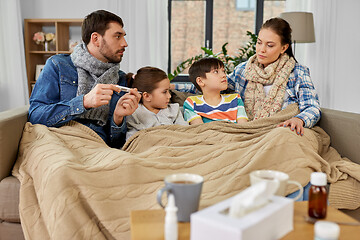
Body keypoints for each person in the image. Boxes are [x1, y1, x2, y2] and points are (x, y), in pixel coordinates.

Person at [173, 17, 321, 136]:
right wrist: (173, 86)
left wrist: (299, 119)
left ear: (284, 48)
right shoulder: (244, 70)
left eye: (270, 45)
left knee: (286, 139)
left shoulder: (298, 72)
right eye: (259, 42)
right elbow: (211, 86)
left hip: (279, 130)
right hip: (247, 130)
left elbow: (312, 107)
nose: (261, 50)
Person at [28, 10, 141, 148]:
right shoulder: (58, 65)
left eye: (124, 36)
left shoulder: (120, 78)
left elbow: (116, 144)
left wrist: (118, 119)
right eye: (118, 36)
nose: (125, 43)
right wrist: (84, 102)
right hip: (60, 144)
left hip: (97, 148)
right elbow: (35, 116)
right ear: (95, 39)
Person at [125, 67, 188, 140]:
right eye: (165, 92)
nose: (169, 96)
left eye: (169, 91)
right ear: (147, 96)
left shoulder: (174, 110)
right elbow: (133, 140)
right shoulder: (134, 114)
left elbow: (186, 132)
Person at [183, 57, 248, 125]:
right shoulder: (192, 103)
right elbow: (199, 129)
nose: (224, 75)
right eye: (216, 72)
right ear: (200, 81)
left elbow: (243, 127)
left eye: (223, 71)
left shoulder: (235, 99)